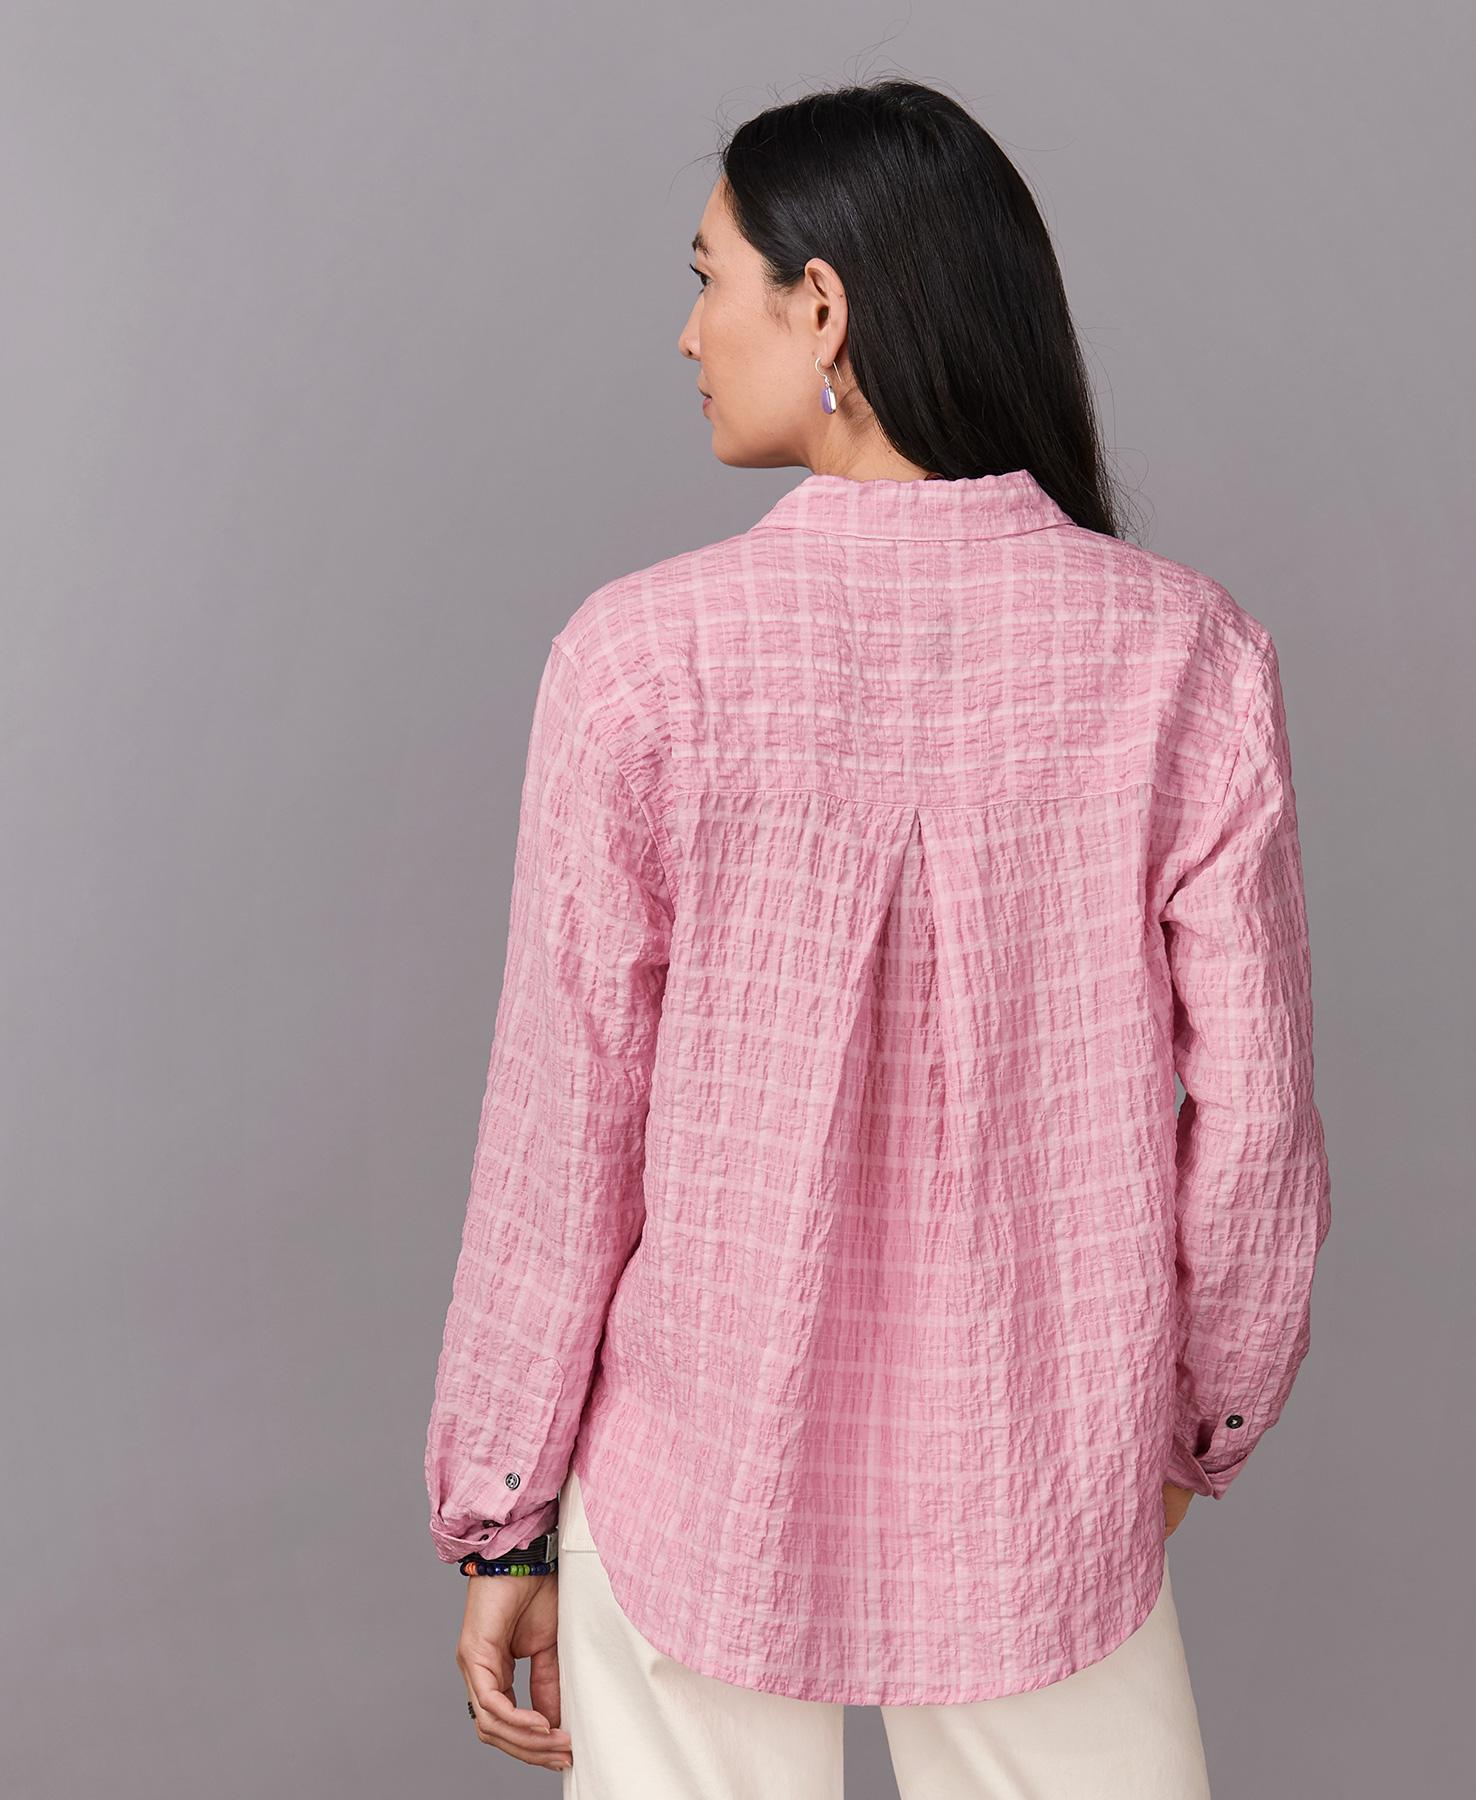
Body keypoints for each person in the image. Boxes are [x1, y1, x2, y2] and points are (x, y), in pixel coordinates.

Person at [424, 76, 1331, 1799]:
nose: (688, 333)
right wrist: (1190, 1427)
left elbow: (564, 1134)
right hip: (1047, 1483)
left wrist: (505, 1517)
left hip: (691, 1479)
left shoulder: (639, 663)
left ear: (822, 307)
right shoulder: (1186, 658)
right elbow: (1259, 1134)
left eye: (710, 279)